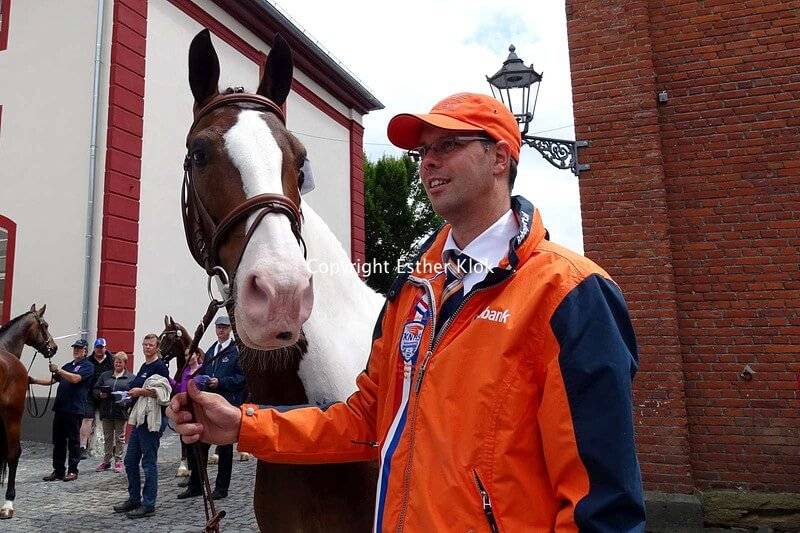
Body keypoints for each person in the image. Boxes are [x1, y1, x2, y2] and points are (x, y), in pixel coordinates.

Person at [169, 93, 646, 530]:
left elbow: (601, 506)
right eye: (422, 151)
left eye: (448, 145)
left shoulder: (571, 293)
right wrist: (243, 425)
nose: (428, 161)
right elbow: (363, 421)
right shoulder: (411, 295)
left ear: (500, 158)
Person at [177, 315, 244, 501]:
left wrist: (220, 382)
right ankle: (196, 485)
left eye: (224, 327)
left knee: (225, 449)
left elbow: (241, 379)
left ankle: (221, 488)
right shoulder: (211, 350)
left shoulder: (235, 352)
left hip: (226, 404)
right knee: (200, 446)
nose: (221, 330)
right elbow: (203, 372)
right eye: (218, 327)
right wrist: (201, 381)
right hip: (207, 405)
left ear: (230, 330)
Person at [113, 334, 170, 519]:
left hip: (152, 421)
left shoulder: (160, 366)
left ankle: (148, 504)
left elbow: (164, 392)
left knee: (148, 462)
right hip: (139, 419)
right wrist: (127, 396)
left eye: (150, 345)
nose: (147, 347)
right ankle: (134, 499)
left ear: (157, 347)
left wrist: (141, 391)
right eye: (145, 344)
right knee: (130, 461)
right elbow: (137, 388)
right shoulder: (145, 366)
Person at [30, 338, 94, 482]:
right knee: (58, 441)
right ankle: (58, 470)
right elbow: (52, 381)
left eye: (79, 348)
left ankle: (73, 470)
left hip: (74, 409)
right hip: (60, 407)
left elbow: (75, 379)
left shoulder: (88, 366)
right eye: (75, 348)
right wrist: (34, 380)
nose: (76, 350)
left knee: (73, 441)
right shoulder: (68, 365)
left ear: (85, 351)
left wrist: (58, 370)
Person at [94, 351, 133, 473]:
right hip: (106, 411)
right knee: (108, 437)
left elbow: (133, 395)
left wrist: (127, 400)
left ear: (125, 363)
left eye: (120, 362)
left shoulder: (131, 378)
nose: (117, 364)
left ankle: (118, 461)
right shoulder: (105, 375)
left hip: (121, 412)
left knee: (120, 437)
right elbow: (95, 389)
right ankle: (106, 461)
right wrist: (100, 394)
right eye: (116, 362)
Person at [80, 337, 114, 458]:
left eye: (102, 347)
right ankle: (82, 447)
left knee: (109, 419)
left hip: (107, 394)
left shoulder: (112, 360)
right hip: (90, 394)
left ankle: (111, 446)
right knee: (87, 418)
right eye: (97, 347)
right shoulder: (88, 361)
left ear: (105, 348)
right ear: (94, 348)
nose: (99, 350)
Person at [174, 348, 204, 478]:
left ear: (197, 355)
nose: (188, 357)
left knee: (199, 445)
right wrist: (170, 381)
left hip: (198, 410)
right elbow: (180, 389)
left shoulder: (203, 369)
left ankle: (199, 477)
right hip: (186, 410)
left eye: (191, 354)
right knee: (188, 443)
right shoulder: (185, 372)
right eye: (186, 355)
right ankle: (192, 476)